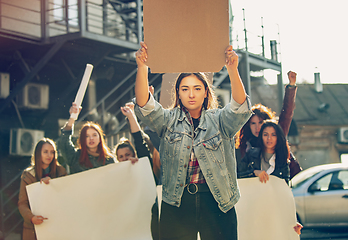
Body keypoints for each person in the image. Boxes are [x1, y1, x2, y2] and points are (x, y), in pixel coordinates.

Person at [134, 42, 252, 240]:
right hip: (177, 202)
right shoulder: (168, 121)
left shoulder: (220, 120)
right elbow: (144, 105)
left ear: (205, 92)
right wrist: (142, 67)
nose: (191, 94)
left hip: (217, 200)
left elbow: (240, 107)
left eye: (197, 88)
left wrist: (232, 69)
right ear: (178, 94)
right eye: (185, 89)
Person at [237, 120, 303, 234]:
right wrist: (254, 173)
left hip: (274, 212)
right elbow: (238, 178)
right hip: (252, 209)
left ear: (279, 137)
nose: (269, 138)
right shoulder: (251, 154)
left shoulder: (283, 162)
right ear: (261, 136)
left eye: (273, 135)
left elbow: (285, 193)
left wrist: (292, 220)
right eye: (265, 134)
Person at [235, 71, 302, 179]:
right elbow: (239, 174)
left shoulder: (275, 135)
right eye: (253, 123)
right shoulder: (245, 147)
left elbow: (287, 114)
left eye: (261, 122)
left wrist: (291, 86)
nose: (257, 127)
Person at [116, 102, 161, 240]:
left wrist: (131, 116)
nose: (125, 159)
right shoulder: (116, 177)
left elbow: (138, 140)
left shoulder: (145, 165)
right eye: (121, 157)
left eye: (127, 155)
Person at [18, 138, 67, 240]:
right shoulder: (28, 175)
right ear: (38, 153)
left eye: (52, 152)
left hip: (56, 225)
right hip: (33, 228)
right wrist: (31, 218)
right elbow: (22, 203)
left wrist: (52, 184)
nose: (49, 155)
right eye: (45, 152)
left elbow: (66, 196)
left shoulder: (61, 172)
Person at [58, 103, 115, 174]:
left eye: (94, 135)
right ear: (82, 139)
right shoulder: (75, 157)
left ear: (100, 137)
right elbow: (64, 142)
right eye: (87, 136)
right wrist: (72, 118)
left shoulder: (109, 160)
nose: (91, 138)